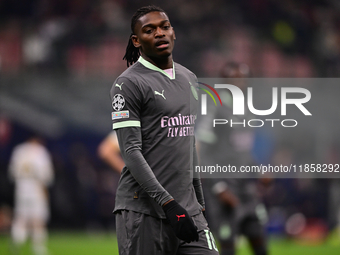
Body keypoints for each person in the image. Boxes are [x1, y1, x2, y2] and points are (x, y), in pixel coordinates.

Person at [110, 5, 219, 255]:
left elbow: (188, 141)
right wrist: (168, 203)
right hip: (144, 211)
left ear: (174, 32)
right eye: (149, 30)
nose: (160, 33)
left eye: (165, 27)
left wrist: (198, 201)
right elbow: (130, 151)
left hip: (187, 209)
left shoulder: (189, 78)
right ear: (136, 40)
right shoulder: (127, 84)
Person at [196, 62, 268, 255]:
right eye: (233, 78)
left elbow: (242, 150)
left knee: (258, 236)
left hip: (245, 185)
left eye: (242, 78)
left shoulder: (249, 108)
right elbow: (202, 151)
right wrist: (218, 186)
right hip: (223, 185)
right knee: (228, 242)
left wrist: (259, 170)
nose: (239, 82)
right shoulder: (215, 107)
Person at [8, 135, 54, 255]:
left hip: (21, 190)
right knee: (38, 220)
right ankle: (38, 248)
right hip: (36, 190)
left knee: (20, 219)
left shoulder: (18, 150)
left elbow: (12, 173)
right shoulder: (40, 151)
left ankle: (16, 244)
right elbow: (47, 176)